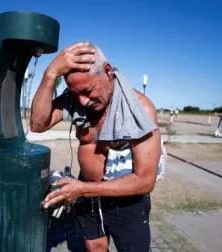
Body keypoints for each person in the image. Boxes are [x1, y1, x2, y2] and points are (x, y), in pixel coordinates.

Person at [30, 42, 161, 252]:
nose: (82, 101)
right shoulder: (76, 99)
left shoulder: (139, 108)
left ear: (107, 71)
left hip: (125, 201)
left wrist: (82, 190)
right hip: (86, 193)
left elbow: (145, 181)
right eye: (75, 94)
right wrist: (50, 73)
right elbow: (37, 124)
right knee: (94, 248)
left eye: (88, 90)